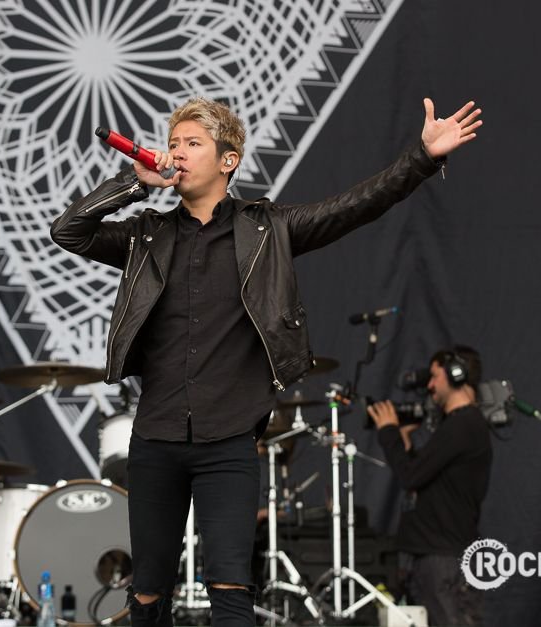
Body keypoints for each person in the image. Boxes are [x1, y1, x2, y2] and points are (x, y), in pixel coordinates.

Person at [52, 96, 482, 626]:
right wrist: (133, 184)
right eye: (173, 143)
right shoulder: (148, 234)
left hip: (230, 438)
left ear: (228, 160)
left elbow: (355, 206)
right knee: (146, 592)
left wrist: (422, 157)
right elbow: (68, 231)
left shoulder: (268, 228)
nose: (177, 153)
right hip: (156, 435)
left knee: (230, 587)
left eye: (193, 143)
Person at [368, 345, 493, 626]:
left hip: (445, 561)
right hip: (436, 558)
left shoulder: (463, 424)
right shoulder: (459, 426)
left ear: (457, 375)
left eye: (435, 376)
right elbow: (427, 478)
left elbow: (411, 476)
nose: (429, 385)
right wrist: (405, 444)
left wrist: (388, 432)